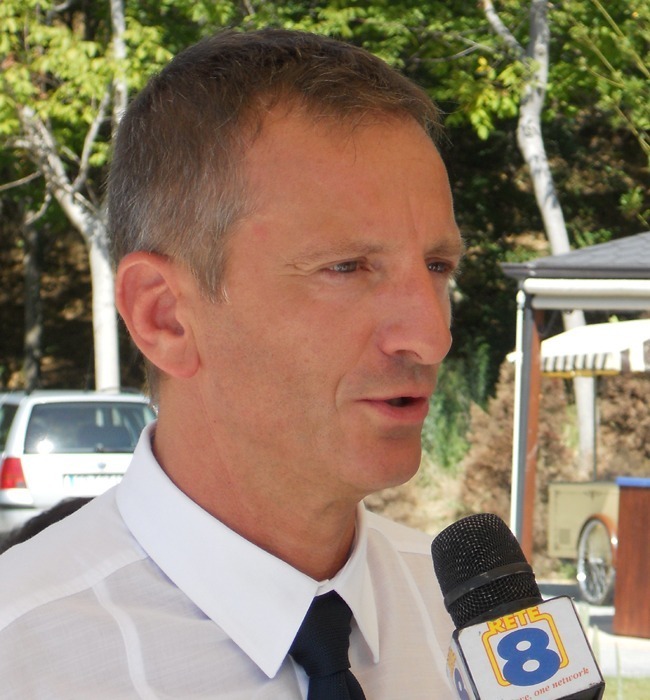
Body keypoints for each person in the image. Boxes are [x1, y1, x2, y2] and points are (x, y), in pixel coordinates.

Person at [0, 29, 464, 697]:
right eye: (346, 267)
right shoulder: (24, 658)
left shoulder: (471, 625)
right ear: (165, 316)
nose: (430, 336)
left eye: (439, 266)